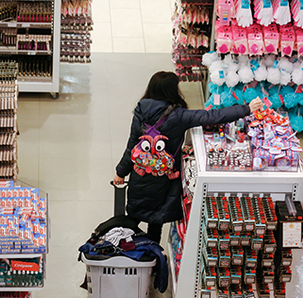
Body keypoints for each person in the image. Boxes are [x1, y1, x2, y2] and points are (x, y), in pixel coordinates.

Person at [113, 71, 264, 244]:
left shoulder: (140, 111)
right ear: (171, 91)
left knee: (133, 218)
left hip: (140, 177)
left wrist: (120, 172)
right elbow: (212, 117)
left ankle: (127, 250)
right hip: (164, 180)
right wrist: (246, 109)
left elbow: (132, 145)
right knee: (156, 222)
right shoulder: (179, 115)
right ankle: (152, 257)